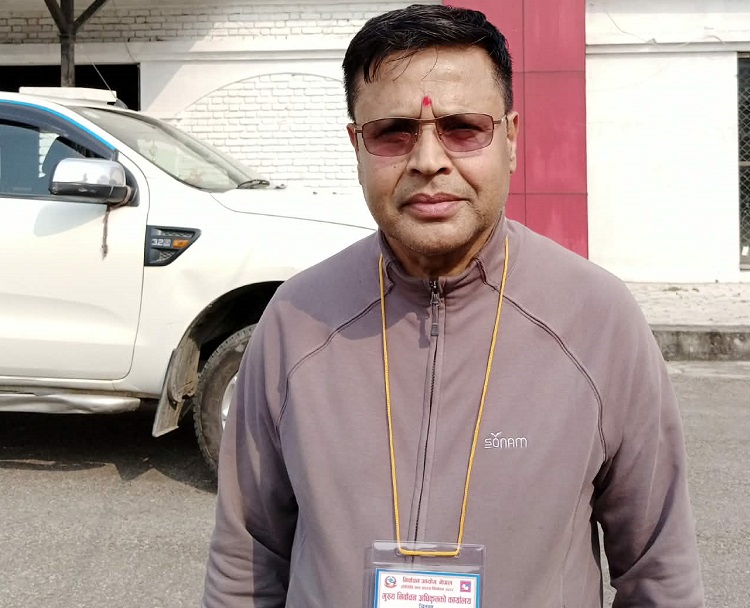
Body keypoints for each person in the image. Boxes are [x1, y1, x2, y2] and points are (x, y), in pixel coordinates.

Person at [202, 4, 704, 607]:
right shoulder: (297, 320)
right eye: (394, 132)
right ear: (357, 146)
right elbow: (247, 562)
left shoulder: (597, 320)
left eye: (463, 128)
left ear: (510, 139)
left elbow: (659, 574)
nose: (429, 160)